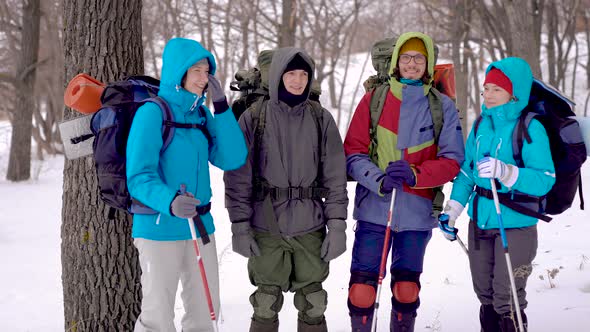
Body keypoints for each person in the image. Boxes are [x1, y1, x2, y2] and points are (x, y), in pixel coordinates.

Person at [343, 31, 465, 332]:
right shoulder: (374, 100)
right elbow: (353, 151)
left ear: (428, 63)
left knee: (406, 287)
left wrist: (415, 174)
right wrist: (378, 179)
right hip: (374, 207)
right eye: (407, 57)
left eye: (419, 58)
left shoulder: (442, 107)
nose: (412, 63)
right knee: (362, 288)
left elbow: (452, 160)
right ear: (396, 61)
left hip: (417, 210)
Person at [126, 37, 247, 332]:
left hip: (200, 226)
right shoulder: (152, 113)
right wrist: (170, 201)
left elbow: (233, 158)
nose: (204, 77)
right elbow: (139, 177)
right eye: (196, 70)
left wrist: (221, 108)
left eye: (207, 71)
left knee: (205, 311)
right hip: (158, 227)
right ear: (178, 72)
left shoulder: (202, 115)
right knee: (157, 314)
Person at [223, 47, 348, 332]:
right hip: (266, 225)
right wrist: (239, 226)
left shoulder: (321, 118)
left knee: (314, 301)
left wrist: (338, 225)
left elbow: (335, 177)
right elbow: (237, 178)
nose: (297, 80)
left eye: (303, 74)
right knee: (265, 303)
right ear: (278, 75)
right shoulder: (254, 117)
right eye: (291, 73)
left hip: (310, 226)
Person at [438, 57, 555, 332]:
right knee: (485, 295)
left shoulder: (530, 128)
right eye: (486, 88)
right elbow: (467, 172)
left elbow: (545, 179)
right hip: (479, 224)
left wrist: (507, 172)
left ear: (514, 94)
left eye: (496, 89)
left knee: (508, 297)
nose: (488, 95)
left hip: (516, 226)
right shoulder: (481, 125)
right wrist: (452, 210)